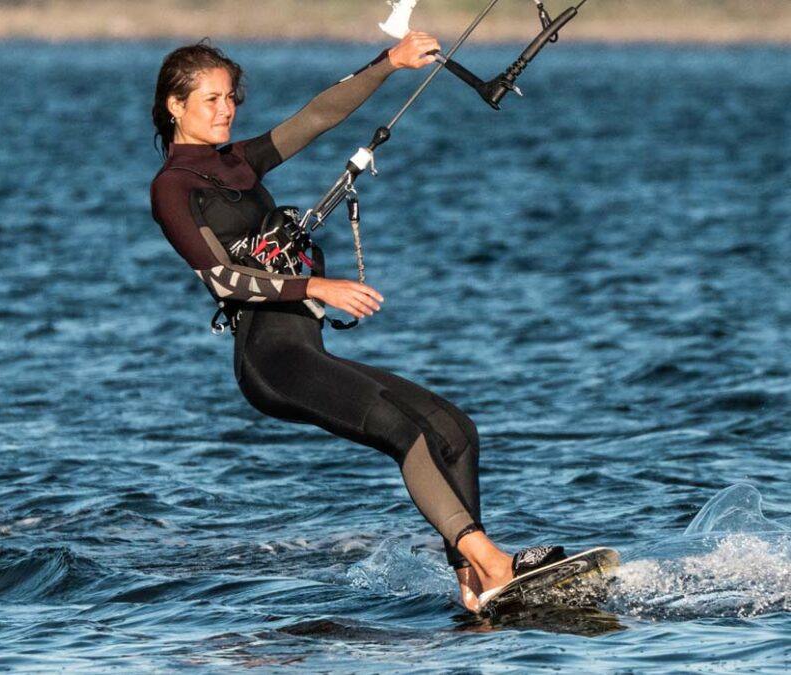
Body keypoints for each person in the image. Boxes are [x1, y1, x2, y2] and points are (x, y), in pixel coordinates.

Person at [149, 36, 563, 612]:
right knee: (406, 431)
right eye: (212, 99)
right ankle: (493, 561)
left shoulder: (236, 163)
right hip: (271, 359)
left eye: (231, 98)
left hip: (306, 347)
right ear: (176, 105)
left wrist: (388, 64)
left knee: (455, 431)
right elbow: (223, 280)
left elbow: (318, 115)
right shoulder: (172, 188)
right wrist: (316, 285)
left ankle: (473, 586)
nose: (227, 110)